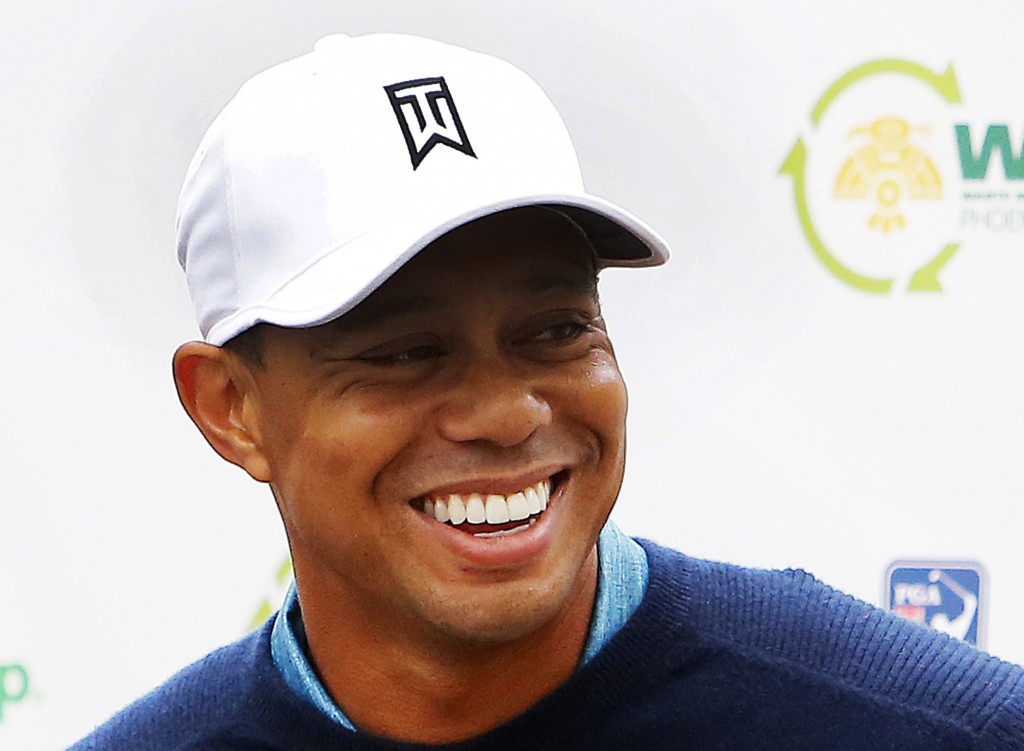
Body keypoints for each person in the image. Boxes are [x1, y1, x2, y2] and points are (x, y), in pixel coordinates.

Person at [70, 32, 1024, 751]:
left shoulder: (926, 726)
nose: (506, 411)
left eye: (555, 331)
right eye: (405, 352)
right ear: (230, 408)